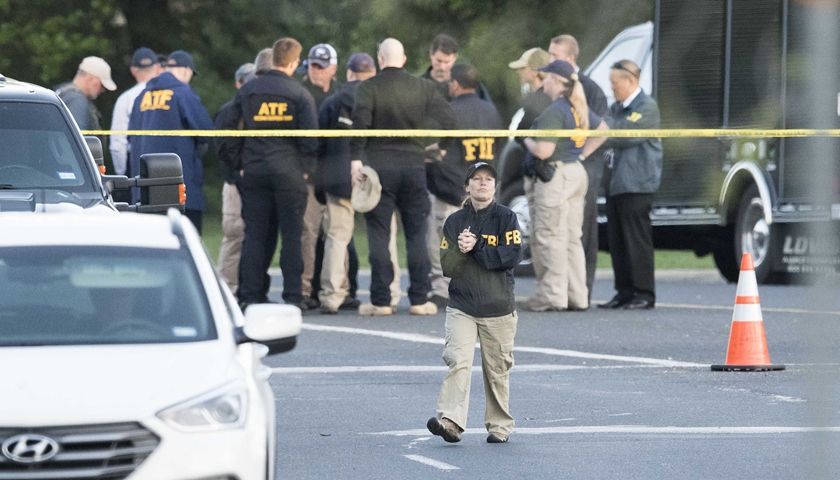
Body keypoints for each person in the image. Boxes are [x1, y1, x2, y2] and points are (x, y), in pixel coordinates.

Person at [350, 38, 457, 316]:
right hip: (413, 166)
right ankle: (420, 299)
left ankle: (381, 301)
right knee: (416, 234)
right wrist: (439, 148)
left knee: (379, 234)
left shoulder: (368, 87)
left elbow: (360, 124)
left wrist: (356, 158)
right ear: (405, 59)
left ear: (380, 59)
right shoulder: (423, 87)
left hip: (380, 167)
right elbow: (450, 121)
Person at [427, 161, 523, 445]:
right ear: (467, 186)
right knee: (457, 361)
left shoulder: (506, 217)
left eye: (488, 179)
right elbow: (447, 266)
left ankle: (500, 426)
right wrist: (461, 249)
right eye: (477, 179)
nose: (482, 183)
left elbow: (512, 256)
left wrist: (477, 246)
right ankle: (451, 421)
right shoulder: (455, 221)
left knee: (497, 370)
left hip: (498, 307)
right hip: (462, 306)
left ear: (494, 186)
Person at [222, 37, 319, 311]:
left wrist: (238, 165)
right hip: (289, 173)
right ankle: (293, 296)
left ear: (272, 58)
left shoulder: (247, 91)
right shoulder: (299, 94)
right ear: (294, 63)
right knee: (291, 236)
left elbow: (229, 131)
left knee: (254, 235)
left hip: (255, 171)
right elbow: (311, 139)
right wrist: (305, 171)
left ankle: (250, 295)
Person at [522, 60, 607, 312]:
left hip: (556, 176)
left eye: (546, 77)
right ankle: (577, 296)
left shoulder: (555, 111)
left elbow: (544, 151)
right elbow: (603, 130)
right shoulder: (577, 107)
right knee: (571, 237)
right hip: (575, 173)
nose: (543, 82)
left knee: (549, 236)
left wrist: (527, 139)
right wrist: (581, 154)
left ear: (557, 81)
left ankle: (552, 296)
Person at [426, 63, 504, 310]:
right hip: (484, 189)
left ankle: (443, 290)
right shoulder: (491, 111)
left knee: (445, 241)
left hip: (453, 188)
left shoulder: (450, 111)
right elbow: (500, 147)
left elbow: (440, 151)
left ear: (456, 84)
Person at [549, 35, 609, 301]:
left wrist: (580, 154)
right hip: (559, 166)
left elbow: (600, 129)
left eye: (555, 55)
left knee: (582, 229)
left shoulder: (590, 88)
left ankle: (583, 288)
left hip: (585, 168)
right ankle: (563, 288)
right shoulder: (553, 85)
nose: (551, 60)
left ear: (571, 58)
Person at [598, 60, 662, 310]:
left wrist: (608, 130)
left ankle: (644, 292)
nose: (612, 88)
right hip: (616, 183)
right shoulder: (616, 107)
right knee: (618, 241)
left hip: (637, 184)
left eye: (615, 83)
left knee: (637, 241)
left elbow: (622, 134)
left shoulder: (646, 107)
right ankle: (624, 291)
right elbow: (604, 129)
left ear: (631, 81)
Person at [316, 52, 376, 314]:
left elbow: (319, 143)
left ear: (349, 73)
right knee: (382, 234)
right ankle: (387, 294)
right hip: (371, 175)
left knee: (336, 237)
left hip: (338, 175)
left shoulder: (332, 102)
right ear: (373, 74)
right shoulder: (377, 101)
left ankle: (332, 296)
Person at [128, 50, 213, 232]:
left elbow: (130, 139)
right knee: (185, 240)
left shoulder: (141, 97)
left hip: (145, 190)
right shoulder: (183, 94)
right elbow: (206, 131)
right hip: (180, 188)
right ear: (186, 70)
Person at [300, 43, 341, 310]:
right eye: (312, 65)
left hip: (335, 174)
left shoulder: (341, 94)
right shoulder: (301, 94)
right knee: (308, 232)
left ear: (333, 68)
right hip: (311, 174)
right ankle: (306, 289)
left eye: (321, 66)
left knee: (338, 236)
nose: (315, 70)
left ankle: (339, 290)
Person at [214, 62, 256, 293]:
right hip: (234, 184)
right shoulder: (228, 111)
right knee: (234, 234)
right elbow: (223, 149)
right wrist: (237, 172)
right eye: (248, 81)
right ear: (239, 84)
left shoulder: (258, 110)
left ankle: (249, 287)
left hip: (256, 182)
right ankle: (227, 289)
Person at [109, 48, 162, 176]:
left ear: (133, 70)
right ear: (158, 68)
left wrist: (122, 174)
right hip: (168, 163)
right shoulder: (170, 96)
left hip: (136, 165)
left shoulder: (126, 99)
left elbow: (118, 143)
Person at [421, 34, 492, 103]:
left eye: (447, 62)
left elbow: (485, 108)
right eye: (439, 61)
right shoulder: (419, 86)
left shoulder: (469, 85)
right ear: (431, 54)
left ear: (455, 57)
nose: (442, 67)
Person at [55, 56, 117, 130]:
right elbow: (78, 134)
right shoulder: (77, 101)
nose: (103, 90)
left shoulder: (62, 93)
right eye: (102, 85)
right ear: (93, 80)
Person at [508, 47, 552, 131]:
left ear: (535, 71)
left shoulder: (537, 100)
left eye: (523, 68)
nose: (518, 71)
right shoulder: (552, 95)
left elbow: (521, 131)